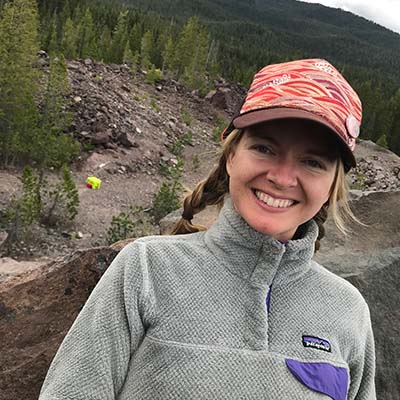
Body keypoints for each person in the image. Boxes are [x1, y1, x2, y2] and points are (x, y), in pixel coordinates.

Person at [39, 58, 376, 399]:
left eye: (312, 162)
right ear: (231, 156)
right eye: (264, 148)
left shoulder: (348, 310)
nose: (282, 178)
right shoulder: (144, 269)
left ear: (333, 185)